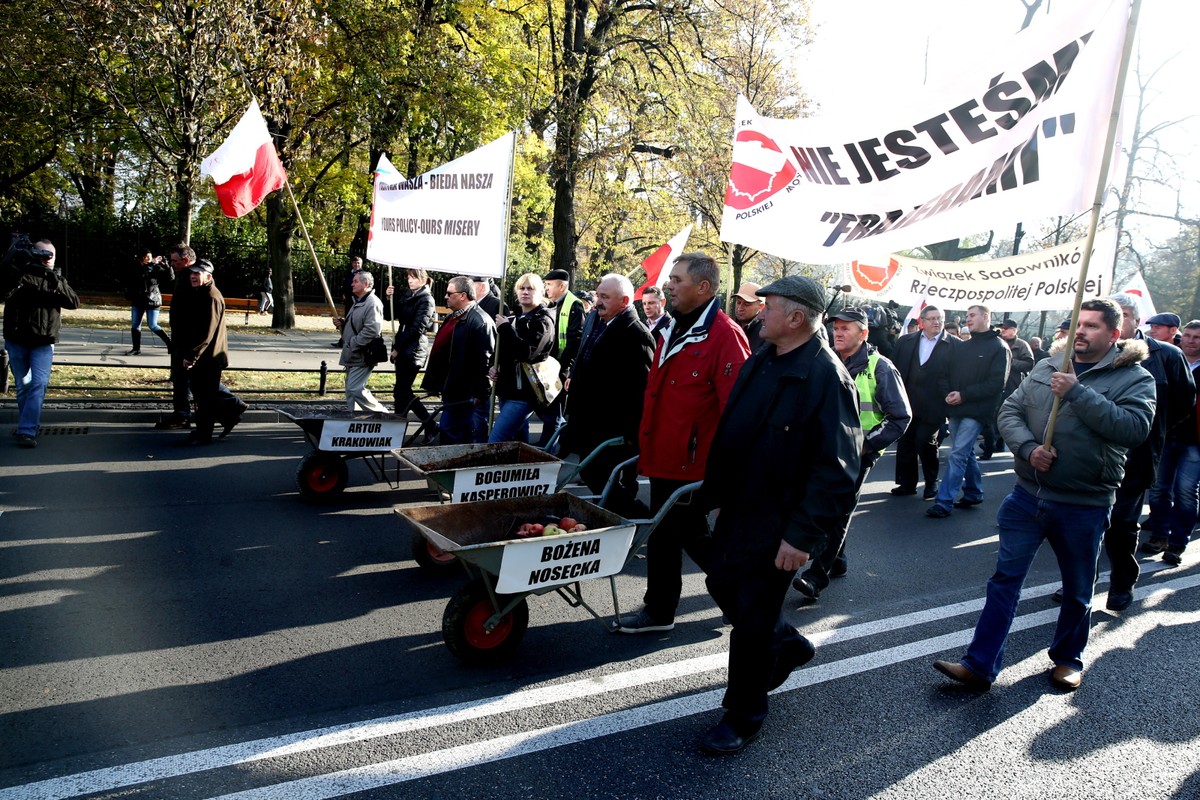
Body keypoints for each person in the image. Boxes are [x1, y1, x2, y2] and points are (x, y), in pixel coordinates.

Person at [933, 299, 1155, 692]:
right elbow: (1009, 412)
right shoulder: (1048, 364)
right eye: (1077, 325)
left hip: (1083, 503)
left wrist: (1077, 393)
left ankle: (1068, 659)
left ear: (1114, 335)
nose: (1080, 332)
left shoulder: (1134, 378)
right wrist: (1028, 449)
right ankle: (980, 664)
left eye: (1091, 326)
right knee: (1004, 580)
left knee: (1077, 587)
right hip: (1027, 495)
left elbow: (1133, 429)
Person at [697, 275, 862, 754]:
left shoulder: (827, 377)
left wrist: (802, 536)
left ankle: (744, 714)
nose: (759, 311)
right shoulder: (765, 357)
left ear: (795, 318)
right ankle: (787, 644)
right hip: (742, 506)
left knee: (751, 617)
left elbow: (838, 471)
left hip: (779, 520)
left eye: (768, 305)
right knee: (720, 583)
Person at [617, 252, 751, 634]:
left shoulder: (725, 335)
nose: (669, 286)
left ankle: (734, 602)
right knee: (668, 533)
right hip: (663, 454)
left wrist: (730, 477)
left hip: (694, 462)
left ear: (703, 287)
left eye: (677, 280)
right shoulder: (672, 327)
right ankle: (667, 609)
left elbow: (737, 410)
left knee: (686, 533)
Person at [793, 306, 909, 603]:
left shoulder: (880, 366)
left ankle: (816, 577)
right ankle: (838, 559)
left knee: (838, 510)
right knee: (824, 504)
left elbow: (900, 416)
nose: (838, 332)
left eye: (847, 328)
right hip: (825, 450)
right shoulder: (827, 360)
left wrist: (865, 445)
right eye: (837, 327)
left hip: (859, 453)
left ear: (864, 333)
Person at [560, 273, 656, 519]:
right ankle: (623, 516)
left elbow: (641, 389)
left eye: (604, 297)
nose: (597, 301)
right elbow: (585, 355)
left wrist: (631, 434)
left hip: (613, 428)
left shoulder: (637, 334)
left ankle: (637, 517)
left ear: (624, 301)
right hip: (589, 421)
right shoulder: (597, 320)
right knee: (594, 473)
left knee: (598, 474)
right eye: (597, 295)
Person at [927, 304, 1010, 518]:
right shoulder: (963, 347)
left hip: (977, 411)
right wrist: (949, 394)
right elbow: (946, 374)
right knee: (965, 452)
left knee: (958, 454)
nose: (968, 319)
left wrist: (964, 394)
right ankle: (973, 492)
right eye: (967, 316)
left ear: (986, 317)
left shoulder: (1000, 348)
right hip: (956, 408)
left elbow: (996, 384)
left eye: (972, 315)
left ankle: (944, 501)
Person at [156, 245, 247, 435]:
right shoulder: (188, 280)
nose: (172, 264)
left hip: (198, 348)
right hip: (189, 343)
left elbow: (205, 329)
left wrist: (191, 354)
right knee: (201, 389)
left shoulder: (208, 294)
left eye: (175, 261)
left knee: (202, 391)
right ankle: (227, 415)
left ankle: (212, 420)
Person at [2, 236, 80, 448]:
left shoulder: (55, 279)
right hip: (17, 339)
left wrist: (54, 279)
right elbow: (3, 293)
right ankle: (27, 425)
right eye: (42, 254)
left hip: (44, 341)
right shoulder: (19, 274)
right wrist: (18, 271)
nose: (47, 259)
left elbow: (74, 302)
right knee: (24, 386)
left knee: (39, 383)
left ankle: (27, 430)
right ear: (33, 254)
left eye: (51, 255)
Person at [1139, 313, 1199, 565]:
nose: (1191, 341)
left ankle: (1177, 543)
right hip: (1165, 435)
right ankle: (1160, 535)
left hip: (1195, 441)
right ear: (1179, 335)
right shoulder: (1167, 357)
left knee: (1185, 492)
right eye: (1187, 335)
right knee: (1159, 489)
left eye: (1197, 338)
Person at [891, 305, 960, 499]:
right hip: (907, 402)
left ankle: (931, 483)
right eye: (932, 318)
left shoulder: (954, 345)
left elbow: (958, 375)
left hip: (935, 405)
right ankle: (907, 483)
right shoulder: (906, 341)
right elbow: (894, 369)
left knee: (925, 442)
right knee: (905, 443)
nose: (937, 322)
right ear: (922, 321)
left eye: (940, 318)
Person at [422, 275, 496, 445]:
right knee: (453, 432)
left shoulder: (480, 321)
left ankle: (452, 467)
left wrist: (481, 392)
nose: (445, 296)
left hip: (463, 391)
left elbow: (484, 360)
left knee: (452, 431)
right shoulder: (453, 316)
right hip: (451, 388)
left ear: (463, 295)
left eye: (449, 293)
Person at [488, 273, 555, 443]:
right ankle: (520, 469)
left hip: (524, 393)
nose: (525, 292)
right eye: (522, 288)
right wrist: (493, 367)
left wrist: (505, 329)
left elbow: (527, 353)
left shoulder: (543, 321)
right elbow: (500, 352)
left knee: (497, 439)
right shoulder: (513, 319)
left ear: (541, 293)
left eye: (530, 288)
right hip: (507, 389)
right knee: (517, 441)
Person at [170, 259, 230, 446]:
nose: (193, 276)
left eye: (198, 273)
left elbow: (206, 333)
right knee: (201, 398)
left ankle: (205, 435)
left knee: (205, 400)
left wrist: (191, 356)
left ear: (208, 276)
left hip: (209, 357)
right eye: (192, 273)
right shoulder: (202, 293)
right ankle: (207, 428)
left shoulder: (211, 296)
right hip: (205, 357)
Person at [384, 268, 437, 439]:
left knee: (403, 391)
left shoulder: (426, 300)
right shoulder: (409, 295)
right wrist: (388, 298)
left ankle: (429, 423)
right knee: (400, 392)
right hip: (402, 345)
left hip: (413, 349)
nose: (410, 280)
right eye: (408, 277)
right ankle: (398, 429)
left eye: (413, 277)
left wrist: (398, 348)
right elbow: (389, 315)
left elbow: (417, 328)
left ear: (423, 279)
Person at [334, 270, 388, 414]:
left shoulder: (372, 303)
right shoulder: (359, 301)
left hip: (362, 354)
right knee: (350, 392)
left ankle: (382, 414)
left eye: (355, 281)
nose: (352, 284)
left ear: (365, 284)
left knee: (355, 388)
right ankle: (355, 421)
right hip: (354, 353)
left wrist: (353, 343)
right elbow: (359, 323)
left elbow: (372, 329)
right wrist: (343, 323)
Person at [981, 319, 1035, 458]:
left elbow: (1029, 363)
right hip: (996, 384)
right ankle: (995, 443)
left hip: (1013, 385)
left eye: (1006, 328)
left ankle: (994, 443)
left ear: (1014, 330)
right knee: (993, 416)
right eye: (1001, 328)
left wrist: (1009, 361)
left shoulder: (1021, 345)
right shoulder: (997, 342)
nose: (1003, 330)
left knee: (1004, 414)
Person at [123, 250, 172, 355]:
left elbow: (170, 278)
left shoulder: (156, 267)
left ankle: (170, 343)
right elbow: (140, 275)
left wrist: (168, 267)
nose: (149, 259)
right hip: (138, 300)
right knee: (135, 325)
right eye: (146, 257)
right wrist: (152, 264)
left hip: (152, 300)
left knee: (153, 325)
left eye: (150, 257)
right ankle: (136, 349)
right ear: (141, 257)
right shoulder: (136, 266)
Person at [332, 256, 364, 347]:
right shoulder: (349, 273)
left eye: (358, 263)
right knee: (347, 319)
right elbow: (346, 284)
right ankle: (343, 339)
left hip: (357, 300)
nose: (356, 264)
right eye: (355, 262)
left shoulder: (363, 274)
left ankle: (348, 339)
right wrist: (343, 293)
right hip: (349, 301)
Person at [732, 282, 764, 351]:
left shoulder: (766, 333)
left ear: (761, 306)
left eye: (747, 304)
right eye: (738, 302)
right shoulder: (730, 326)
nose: (740, 308)